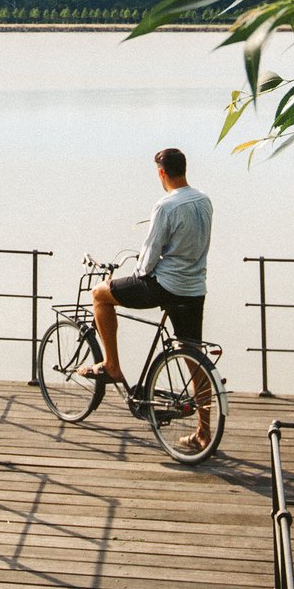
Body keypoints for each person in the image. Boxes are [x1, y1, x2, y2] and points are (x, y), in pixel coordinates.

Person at [80, 147, 216, 448]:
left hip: (165, 285)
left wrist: (139, 269)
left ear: (161, 173)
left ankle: (112, 365)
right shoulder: (204, 200)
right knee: (194, 355)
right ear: (185, 168)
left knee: (100, 294)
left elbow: (151, 253)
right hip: (195, 287)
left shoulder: (165, 206)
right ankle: (204, 433)